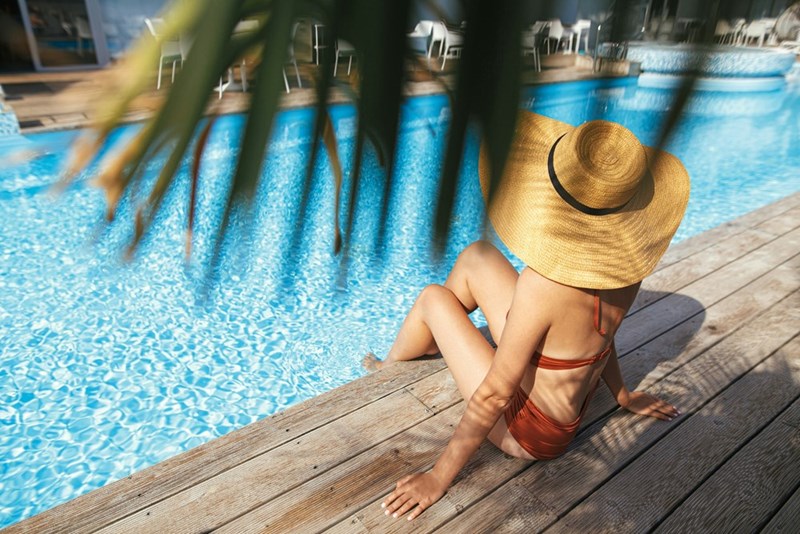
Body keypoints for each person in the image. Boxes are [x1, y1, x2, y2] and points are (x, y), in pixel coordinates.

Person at [362, 111, 690, 521]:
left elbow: (497, 393)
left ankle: (388, 369)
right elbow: (602, 341)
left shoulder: (542, 285)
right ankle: (434, 340)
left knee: (433, 298)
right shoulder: (626, 271)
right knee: (476, 256)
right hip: (565, 404)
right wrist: (623, 395)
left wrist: (437, 478)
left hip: (531, 432)